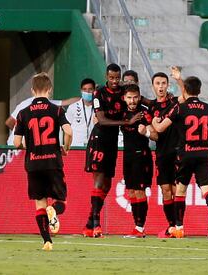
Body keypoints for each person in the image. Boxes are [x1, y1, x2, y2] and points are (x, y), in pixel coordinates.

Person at [152, 76, 208, 239]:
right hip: (204, 153)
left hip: (185, 154)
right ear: (199, 90)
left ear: (184, 90)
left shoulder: (180, 108)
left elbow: (161, 128)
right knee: (207, 188)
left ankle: (179, 227)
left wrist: (155, 122)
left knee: (181, 190)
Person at [13, 72, 72, 251]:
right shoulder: (57, 110)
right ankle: (53, 209)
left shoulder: (23, 114)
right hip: (53, 161)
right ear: (50, 90)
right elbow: (68, 131)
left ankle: (47, 242)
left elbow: (16, 143)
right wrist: (66, 148)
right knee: (61, 200)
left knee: (40, 203)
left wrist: (27, 146)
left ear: (32, 91)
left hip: (33, 163)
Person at [83, 63, 142, 238]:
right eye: (111, 78)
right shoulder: (99, 93)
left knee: (107, 184)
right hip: (99, 138)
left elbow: (139, 98)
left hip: (112, 141)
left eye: (117, 78)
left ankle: (89, 223)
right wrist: (127, 123)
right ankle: (96, 224)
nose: (115, 81)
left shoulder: (122, 91)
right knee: (99, 179)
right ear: (106, 76)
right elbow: (101, 120)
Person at [142, 69, 183, 238]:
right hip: (161, 153)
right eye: (157, 84)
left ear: (168, 85)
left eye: (163, 83)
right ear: (152, 86)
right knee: (165, 190)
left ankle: (180, 226)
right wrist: (146, 131)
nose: (161, 87)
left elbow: (187, 95)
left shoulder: (174, 102)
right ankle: (172, 226)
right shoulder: (151, 108)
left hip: (177, 151)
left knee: (176, 189)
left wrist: (180, 80)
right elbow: (155, 135)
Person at [121, 84, 158, 238]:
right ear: (124, 98)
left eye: (135, 97)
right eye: (129, 97)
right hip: (127, 156)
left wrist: (147, 132)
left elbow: (156, 135)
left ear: (139, 96)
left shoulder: (144, 113)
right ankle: (137, 227)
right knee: (130, 191)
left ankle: (140, 227)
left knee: (139, 191)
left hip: (141, 156)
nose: (132, 100)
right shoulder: (121, 112)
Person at [6, 95, 78, 146]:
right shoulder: (25, 104)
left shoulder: (49, 103)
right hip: (15, 147)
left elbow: (66, 102)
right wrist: (21, 132)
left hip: (29, 147)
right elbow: (9, 122)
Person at [65, 78, 97, 146]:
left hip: (94, 145)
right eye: (84, 89)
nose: (87, 92)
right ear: (81, 91)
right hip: (76, 146)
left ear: (94, 90)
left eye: (90, 89)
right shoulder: (73, 107)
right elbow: (66, 128)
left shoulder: (99, 109)